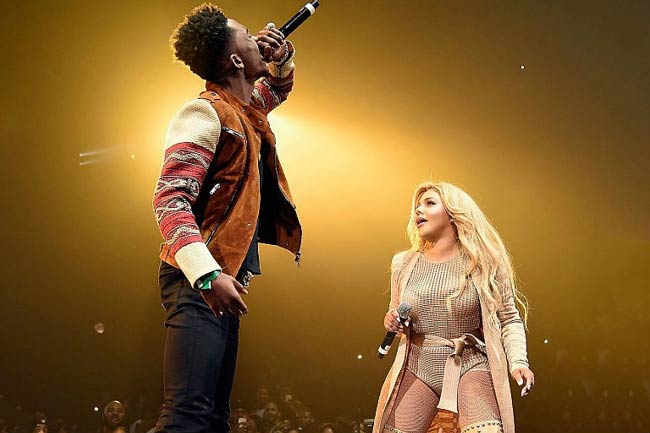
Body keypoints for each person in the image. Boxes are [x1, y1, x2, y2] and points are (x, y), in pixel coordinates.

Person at [152, 3, 302, 433]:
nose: (259, 38)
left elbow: (277, 90)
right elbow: (170, 201)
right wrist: (205, 275)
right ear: (236, 59)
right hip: (196, 281)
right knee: (187, 416)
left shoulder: (243, 110)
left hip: (221, 278)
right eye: (248, 36)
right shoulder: (203, 112)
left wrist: (282, 58)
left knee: (214, 418)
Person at [372, 182, 535, 433]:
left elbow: (509, 318)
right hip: (418, 367)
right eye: (416, 206)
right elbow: (395, 311)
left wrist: (518, 362)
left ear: (452, 213)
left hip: (470, 365)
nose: (418, 211)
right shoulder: (403, 263)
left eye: (429, 203)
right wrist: (392, 320)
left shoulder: (485, 261)